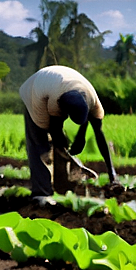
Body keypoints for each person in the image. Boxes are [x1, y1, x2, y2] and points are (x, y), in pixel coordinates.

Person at [19, 65, 120, 205]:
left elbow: (99, 134)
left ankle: (62, 186)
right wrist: (65, 149)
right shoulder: (54, 102)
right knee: (40, 143)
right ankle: (41, 193)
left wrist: (112, 174)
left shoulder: (92, 99)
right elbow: (55, 131)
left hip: (58, 82)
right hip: (34, 91)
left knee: (61, 143)